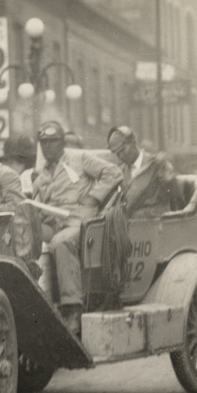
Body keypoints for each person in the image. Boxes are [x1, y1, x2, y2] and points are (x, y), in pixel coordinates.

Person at [30, 121, 123, 336]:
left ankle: (73, 308)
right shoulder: (42, 173)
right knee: (25, 240)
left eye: (52, 142)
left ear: (62, 142)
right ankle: (40, 301)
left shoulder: (79, 159)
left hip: (79, 221)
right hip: (53, 222)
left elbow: (113, 173)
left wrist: (93, 197)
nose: (47, 147)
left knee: (61, 242)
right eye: (44, 143)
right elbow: (35, 200)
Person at [106, 126, 185, 218]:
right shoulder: (122, 171)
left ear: (134, 143)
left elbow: (177, 198)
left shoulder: (157, 164)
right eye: (118, 153)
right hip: (132, 224)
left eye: (123, 150)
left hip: (155, 223)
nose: (121, 156)